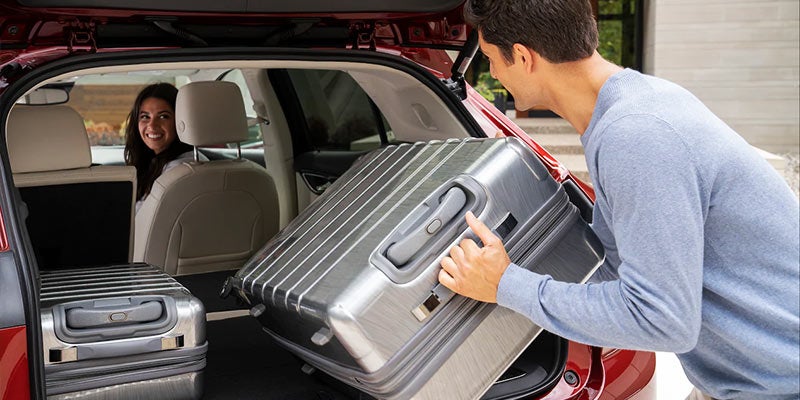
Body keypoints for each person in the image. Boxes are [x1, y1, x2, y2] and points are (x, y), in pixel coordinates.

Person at [437, 1, 800, 399]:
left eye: (491, 59)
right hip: (745, 379)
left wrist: (507, 285)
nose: (492, 73)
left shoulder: (637, 135)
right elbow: (613, 267)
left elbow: (661, 321)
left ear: (523, 57)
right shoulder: (633, 106)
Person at [124, 83, 201, 213]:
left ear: (180, 120)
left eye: (163, 116)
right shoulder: (185, 161)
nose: (152, 125)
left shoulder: (178, 171)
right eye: (145, 117)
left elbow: (140, 219)